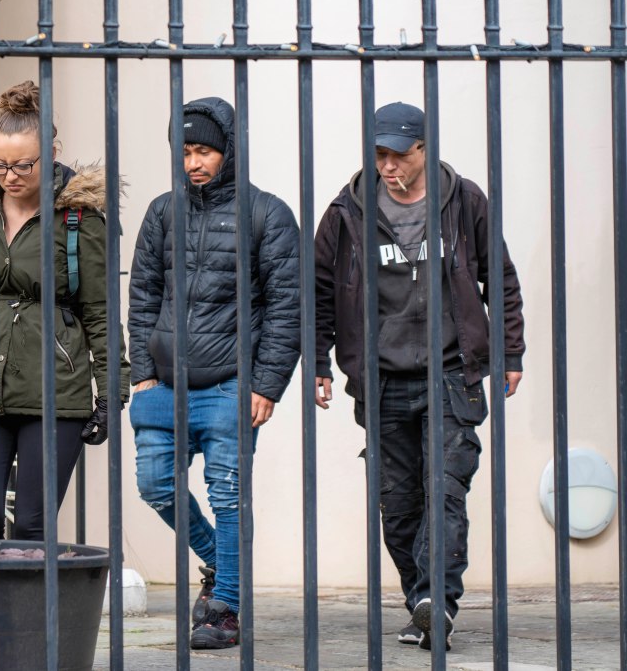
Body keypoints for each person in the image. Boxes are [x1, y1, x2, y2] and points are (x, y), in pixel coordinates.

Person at [314, 102, 525, 651]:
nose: (388, 166)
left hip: (450, 373)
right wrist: (318, 364)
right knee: (399, 504)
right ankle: (423, 604)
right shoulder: (347, 211)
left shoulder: (464, 202)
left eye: (399, 155)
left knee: (444, 488)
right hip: (381, 380)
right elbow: (318, 292)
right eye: (379, 154)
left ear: (424, 150)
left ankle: (438, 599)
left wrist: (510, 352)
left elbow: (499, 279)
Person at [127, 96, 300, 650]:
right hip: (164, 382)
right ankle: (220, 565)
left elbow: (286, 306)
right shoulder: (161, 212)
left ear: (229, 152)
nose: (193, 162)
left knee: (226, 495)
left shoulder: (266, 214)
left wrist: (265, 384)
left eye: (204, 151)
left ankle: (226, 607)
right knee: (155, 485)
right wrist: (141, 374)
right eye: (185, 151)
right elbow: (142, 295)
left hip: (231, 382)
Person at [0, 80, 129, 541]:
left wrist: (111, 392)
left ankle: (28, 615)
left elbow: (100, 310)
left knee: (31, 526)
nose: (10, 175)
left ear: (52, 151)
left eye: (23, 164)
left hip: (54, 391)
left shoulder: (81, 220)